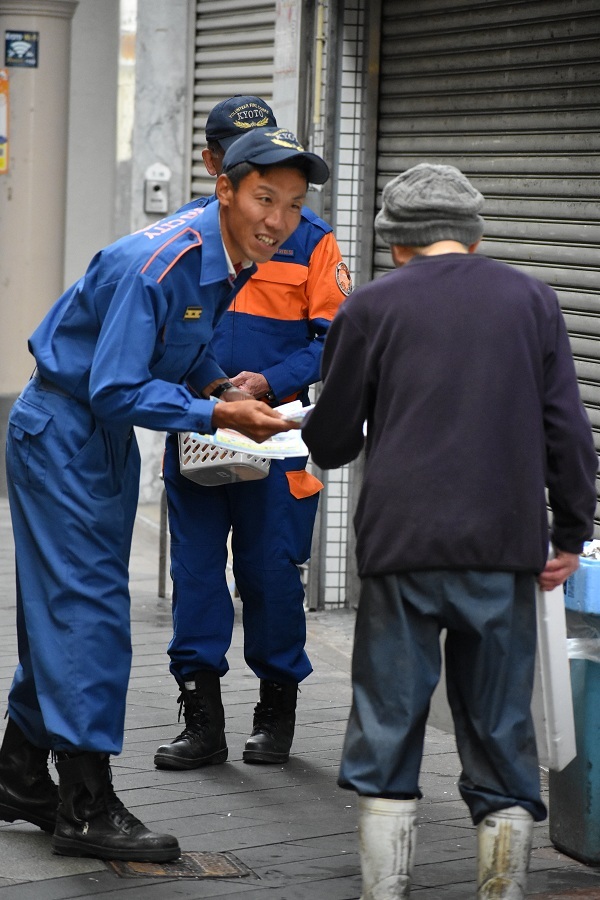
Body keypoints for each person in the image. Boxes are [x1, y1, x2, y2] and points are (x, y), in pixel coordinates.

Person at [0, 126, 329, 863]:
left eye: (293, 203)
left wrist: (216, 382)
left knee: (69, 606)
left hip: (99, 438)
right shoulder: (165, 262)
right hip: (66, 431)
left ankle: (20, 773)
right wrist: (218, 413)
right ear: (226, 188)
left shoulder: (234, 256)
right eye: (264, 197)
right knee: (87, 610)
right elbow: (116, 386)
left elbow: (179, 344)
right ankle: (85, 806)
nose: (278, 218)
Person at [302, 163, 598, 899]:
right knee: (499, 723)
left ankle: (384, 890)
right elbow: (568, 431)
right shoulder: (532, 300)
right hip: (502, 548)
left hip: (402, 549)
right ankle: (501, 889)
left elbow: (332, 439)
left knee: (388, 717)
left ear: (395, 244)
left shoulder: (369, 309)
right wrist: (569, 532)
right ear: (475, 234)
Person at [154, 96, 351, 772]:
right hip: (200, 431)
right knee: (198, 577)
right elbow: (162, 336)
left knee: (270, 577)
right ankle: (201, 719)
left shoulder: (312, 239)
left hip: (274, 437)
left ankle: (276, 713)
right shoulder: (182, 239)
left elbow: (336, 342)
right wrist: (211, 392)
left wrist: (265, 384)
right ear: (217, 167)